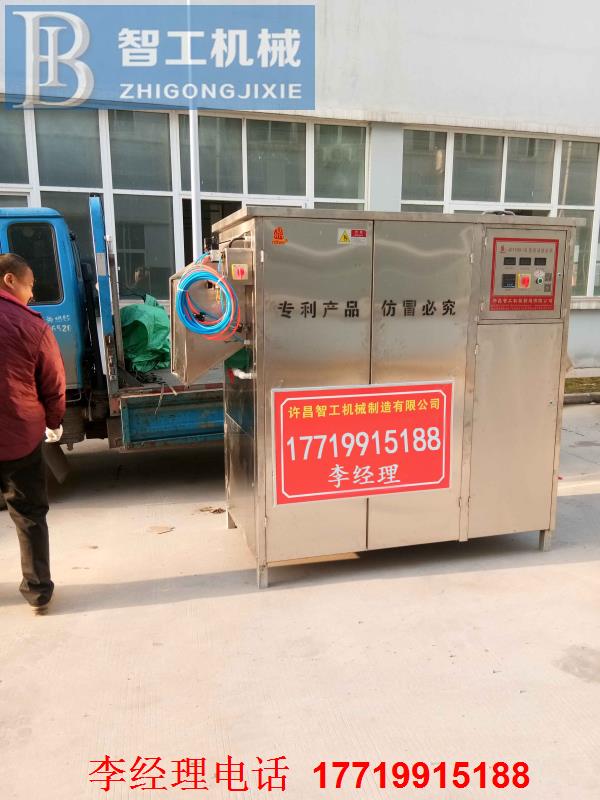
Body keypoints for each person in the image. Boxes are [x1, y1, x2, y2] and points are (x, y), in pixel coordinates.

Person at [0, 253, 66, 614]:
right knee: (28, 514)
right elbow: (53, 383)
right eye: (30, 286)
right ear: (10, 280)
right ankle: (38, 591)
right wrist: (54, 420)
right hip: (18, 438)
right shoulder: (31, 325)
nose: (32, 294)